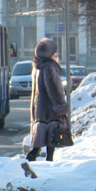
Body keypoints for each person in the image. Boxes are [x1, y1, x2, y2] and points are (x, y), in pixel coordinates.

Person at [24, 37, 69, 165]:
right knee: (52, 131)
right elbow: (54, 88)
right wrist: (60, 104)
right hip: (51, 106)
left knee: (42, 128)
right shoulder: (49, 67)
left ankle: (34, 152)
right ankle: (49, 159)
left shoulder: (38, 66)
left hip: (40, 106)